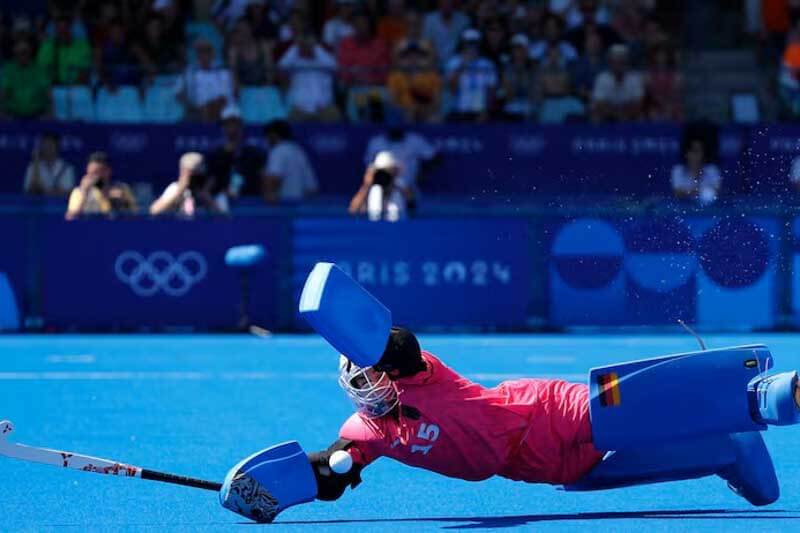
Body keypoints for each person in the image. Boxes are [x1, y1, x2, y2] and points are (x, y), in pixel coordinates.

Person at [205, 105, 266, 207]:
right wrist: (216, 206)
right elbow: (207, 188)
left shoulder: (255, 154)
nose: (232, 128)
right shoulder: (215, 155)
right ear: (222, 127)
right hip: (223, 208)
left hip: (250, 207)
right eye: (227, 124)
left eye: (235, 123)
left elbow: (263, 183)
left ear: (241, 125)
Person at [278, 31, 340, 121]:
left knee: (334, 115)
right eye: (304, 43)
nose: (306, 46)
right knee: (291, 119)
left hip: (324, 108)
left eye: (309, 43)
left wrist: (315, 47)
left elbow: (334, 67)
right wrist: (296, 47)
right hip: (299, 109)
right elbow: (281, 67)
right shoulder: (294, 62)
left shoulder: (324, 61)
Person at [363, 127, 437, 201]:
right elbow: (354, 209)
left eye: (392, 168)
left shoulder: (402, 185)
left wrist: (422, 174)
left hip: (409, 189)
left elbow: (434, 157)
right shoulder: (374, 192)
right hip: (380, 192)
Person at [149, 152, 225, 217]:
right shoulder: (175, 188)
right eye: (190, 175)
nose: (194, 180)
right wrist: (179, 192)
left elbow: (226, 219)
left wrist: (206, 196)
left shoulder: (213, 192)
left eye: (197, 175)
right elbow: (154, 211)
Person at [445, 29, 497, 122]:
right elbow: (452, 89)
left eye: (474, 43)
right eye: (468, 43)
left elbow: (491, 91)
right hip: (459, 112)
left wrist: (487, 111)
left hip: (481, 113)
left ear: (479, 45)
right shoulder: (453, 63)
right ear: (463, 44)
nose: (471, 47)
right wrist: (462, 66)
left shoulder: (488, 65)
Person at [262, 120, 318, 203]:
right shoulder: (299, 151)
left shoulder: (278, 151)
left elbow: (273, 179)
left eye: (267, 136)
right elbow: (313, 189)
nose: (266, 140)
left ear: (273, 135)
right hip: (300, 208)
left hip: (283, 208)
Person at [180, 38, 235, 122]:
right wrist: (190, 104)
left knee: (216, 106)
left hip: (218, 108)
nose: (203, 55)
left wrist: (210, 105)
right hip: (196, 109)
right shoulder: (190, 71)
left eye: (206, 51)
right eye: (200, 52)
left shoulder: (222, 71)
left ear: (212, 53)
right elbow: (181, 93)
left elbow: (226, 96)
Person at [349, 150, 409, 222]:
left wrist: (394, 183)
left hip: (398, 229)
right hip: (375, 231)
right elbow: (353, 210)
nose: (383, 175)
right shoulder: (371, 189)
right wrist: (366, 186)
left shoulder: (400, 185)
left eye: (386, 171)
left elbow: (413, 205)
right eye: (380, 171)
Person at [590, 44, 644, 122]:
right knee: (595, 116)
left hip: (629, 116)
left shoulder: (635, 78)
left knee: (641, 116)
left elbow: (638, 104)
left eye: (622, 61)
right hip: (607, 116)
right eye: (616, 61)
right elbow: (599, 104)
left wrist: (624, 114)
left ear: (627, 62)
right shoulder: (602, 78)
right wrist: (616, 114)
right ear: (610, 62)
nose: (618, 64)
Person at [1, 39, 50, 119]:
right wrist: (2, 113)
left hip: (37, 116)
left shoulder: (39, 69)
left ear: (30, 52)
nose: (21, 55)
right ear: (15, 53)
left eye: (24, 52)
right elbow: (3, 93)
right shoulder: (8, 69)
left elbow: (48, 93)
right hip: (13, 116)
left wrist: (50, 114)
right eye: (18, 53)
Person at [37, 15, 91, 84]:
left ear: (71, 28)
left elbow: (86, 70)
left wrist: (75, 85)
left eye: (65, 28)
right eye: (59, 29)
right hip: (54, 87)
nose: (62, 32)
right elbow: (42, 70)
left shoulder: (83, 46)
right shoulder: (47, 46)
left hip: (77, 87)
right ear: (55, 30)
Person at [671, 139, 722, 205]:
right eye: (694, 152)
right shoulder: (678, 170)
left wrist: (690, 192)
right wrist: (700, 191)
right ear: (687, 154)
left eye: (699, 152)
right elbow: (677, 192)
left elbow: (717, 191)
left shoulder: (712, 170)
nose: (696, 156)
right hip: (684, 205)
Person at [24, 133, 75, 197]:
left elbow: (67, 192)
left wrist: (43, 190)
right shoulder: (32, 167)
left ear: (57, 147)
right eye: (44, 145)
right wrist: (36, 161)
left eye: (50, 145)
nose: (47, 148)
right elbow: (30, 190)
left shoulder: (67, 168)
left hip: (59, 206)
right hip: (38, 206)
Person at [422, 0, 470, 65]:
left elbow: (467, 44)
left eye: (448, 2)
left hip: (458, 61)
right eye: (443, 2)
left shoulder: (464, 20)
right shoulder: (429, 20)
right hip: (434, 61)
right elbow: (426, 42)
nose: (446, 5)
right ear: (439, 3)